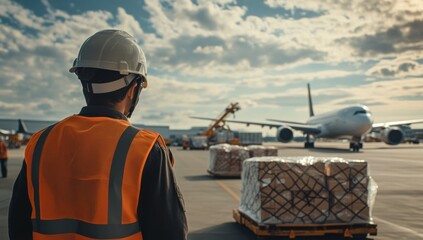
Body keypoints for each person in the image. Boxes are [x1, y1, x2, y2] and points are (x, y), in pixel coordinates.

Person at [9, 29, 187, 240]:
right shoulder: (146, 148)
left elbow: (18, 225)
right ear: (133, 89)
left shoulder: (40, 143)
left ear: (84, 82)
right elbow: (169, 233)